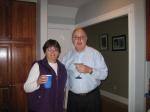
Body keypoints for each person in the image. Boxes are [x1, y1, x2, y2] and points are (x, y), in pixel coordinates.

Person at [62, 27, 108, 112]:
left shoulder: (95, 54)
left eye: (82, 37)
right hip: (73, 98)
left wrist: (90, 70)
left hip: (92, 98)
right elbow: (64, 76)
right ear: (72, 40)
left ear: (86, 39)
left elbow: (104, 74)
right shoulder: (67, 56)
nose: (79, 39)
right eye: (76, 37)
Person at [24, 39, 67, 112]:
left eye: (56, 49)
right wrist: (37, 82)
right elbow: (26, 88)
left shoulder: (62, 68)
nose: (53, 52)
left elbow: (63, 89)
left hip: (58, 108)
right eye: (49, 49)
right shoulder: (38, 65)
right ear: (45, 52)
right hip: (41, 108)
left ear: (59, 52)